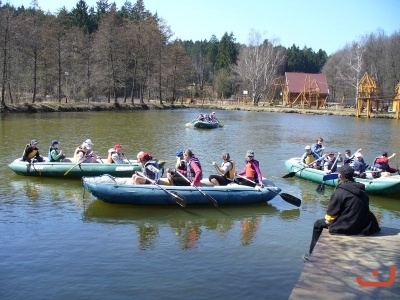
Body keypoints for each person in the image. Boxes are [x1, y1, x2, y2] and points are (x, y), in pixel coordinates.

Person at [302, 165, 380, 261]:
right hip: (365, 225)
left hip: (349, 226)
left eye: (339, 173)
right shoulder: (362, 189)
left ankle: (312, 254)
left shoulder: (340, 192)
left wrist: (328, 221)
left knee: (318, 224)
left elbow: (330, 216)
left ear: (341, 176)